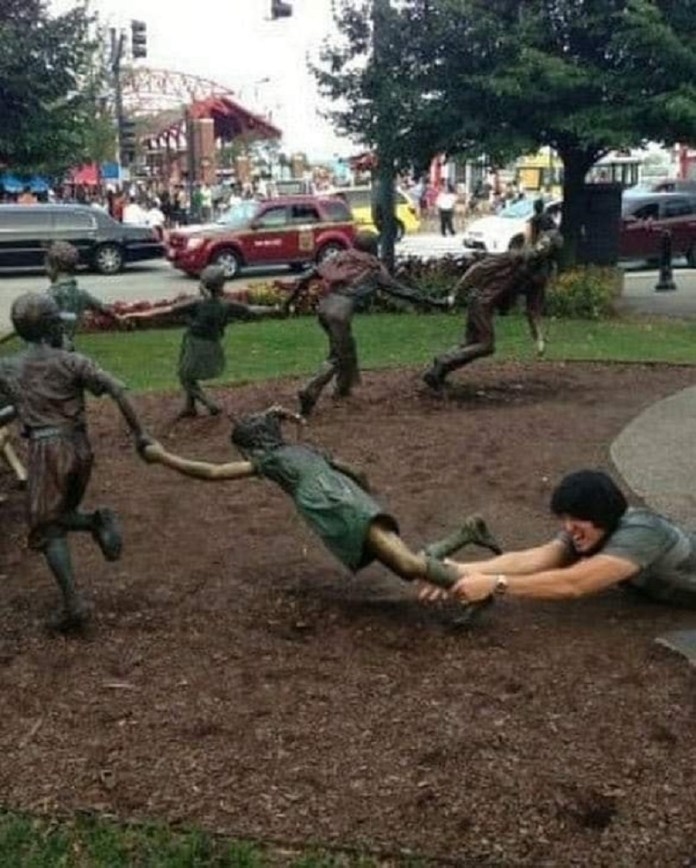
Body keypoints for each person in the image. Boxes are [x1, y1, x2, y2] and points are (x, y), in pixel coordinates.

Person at [142, 405, 502, 594]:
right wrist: (366, 492)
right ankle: (467, 533)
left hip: (339, 508)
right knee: (404, 565)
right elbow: (355, 471)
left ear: (255, 446)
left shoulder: (269, 461)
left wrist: (163, 456)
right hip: (346, 500)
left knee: (407, 567)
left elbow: (212, 472)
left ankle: (473, 591)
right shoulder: (299, 450)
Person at [0, 293, 150, 630]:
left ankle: (73, 606)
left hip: (46, 451)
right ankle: (96, 522)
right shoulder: (73, 361)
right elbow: (117, 390)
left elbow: (14, 407)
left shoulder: (8, 367)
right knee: (58, 515)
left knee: (45, 526)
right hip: (80, 447)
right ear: (53, 326)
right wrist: (141, 435)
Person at [421, 470, 696, 610]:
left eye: (575, 520)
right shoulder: (591, 529)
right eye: (565, 519)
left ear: (599, 514)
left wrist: (496, 585)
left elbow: (573, 583)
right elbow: (538, 558)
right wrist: (459, 570)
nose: (569, 529)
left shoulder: (643, 532)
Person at [283, 231, 450, 417]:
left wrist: (288, 302)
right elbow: (401, 291)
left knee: (345, 347)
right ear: (372, 248)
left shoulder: (340, 256)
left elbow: (307, 276)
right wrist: (434, 302)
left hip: (324, 309)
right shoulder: (373, 268)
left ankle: (343, 388)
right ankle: (310, 390)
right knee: (338, 356)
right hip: (340, 313)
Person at [126, 265, 283, 418]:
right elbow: (251, 310)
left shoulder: (197, 303)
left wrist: (134, 315)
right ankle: (190, 407)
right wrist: (274, 309)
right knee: (189, 373)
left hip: (197, 345)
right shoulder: (226, 305)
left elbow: (164, 311)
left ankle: (210, 405)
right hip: (212, 344)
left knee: (185, 377)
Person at [422, 230, 563, 392]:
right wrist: (455, 293)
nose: (542, 247)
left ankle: (436, 374)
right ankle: (443, 361)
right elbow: (479, 269)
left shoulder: (539, 276)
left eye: (548, 246)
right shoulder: (515, 256)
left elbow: (533, 309)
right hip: (482, 301)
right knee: (486, 345)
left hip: (486, 304)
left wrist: (539, 338)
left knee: (472, 345)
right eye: (542, 242)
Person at [45, 241, 123, 350]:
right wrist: (118, 318)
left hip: (52, 351)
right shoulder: (82, 295)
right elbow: (104, 309)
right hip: (68, 349)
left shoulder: (49, 296)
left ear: (53, 267)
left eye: (47, 265)